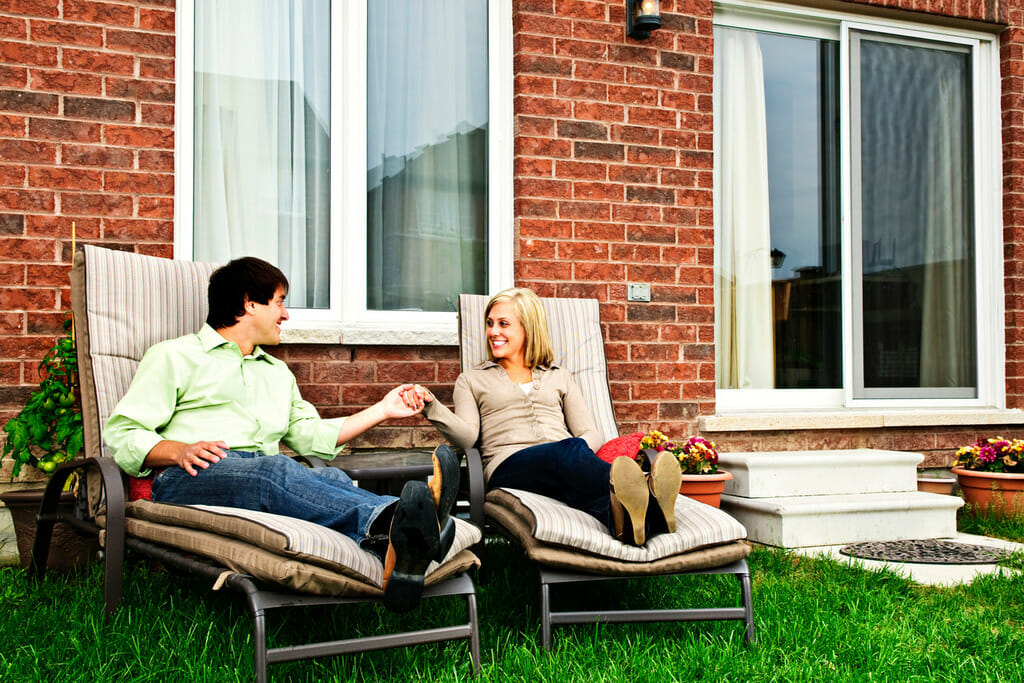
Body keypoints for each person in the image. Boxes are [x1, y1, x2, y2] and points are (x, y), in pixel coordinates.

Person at [103, 256, 459, 612]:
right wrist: (178, 450)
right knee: (274, 472)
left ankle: (393, 548)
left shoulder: (277, 373)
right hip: (190, 478)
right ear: (249, 303)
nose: (285, 315)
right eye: (279, 301)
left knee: (328, 475)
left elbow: (312, 436)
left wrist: (383, 409)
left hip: (262, 476)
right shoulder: (175, 356)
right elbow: (122, 432)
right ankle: (403, 521)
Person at [406, 287, 682, 546]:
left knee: (577, 479)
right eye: (490, 323)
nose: (493, 332)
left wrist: (576, 454)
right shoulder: (472, 380)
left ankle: (634, 522)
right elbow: (467, 437)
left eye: (503, 324)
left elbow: (590, 432)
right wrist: (432, 407)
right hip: (508, 466)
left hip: (564, 464)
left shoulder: (558, 376)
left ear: (529, 328)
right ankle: (648, 493)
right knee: (566, 453)